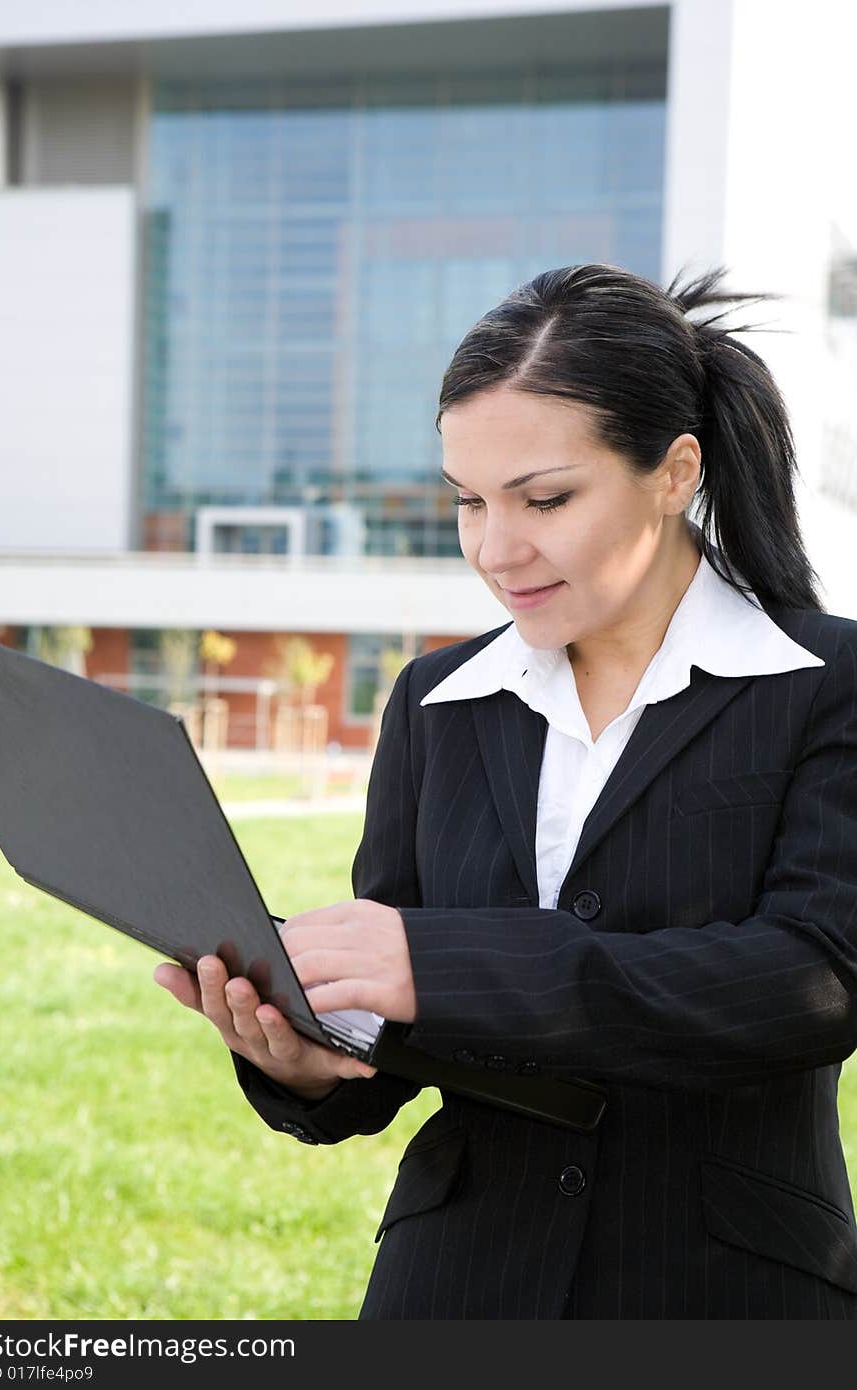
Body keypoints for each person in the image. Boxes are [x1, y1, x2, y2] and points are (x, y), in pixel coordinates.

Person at [154, 263, 857, 1319]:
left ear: (674, 472)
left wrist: (433, 960)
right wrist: (307, 1056)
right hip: (456, 1284)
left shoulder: (823, 684)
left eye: (544, 498)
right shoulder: (438, 702)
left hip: (724, 1287)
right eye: (467, 502)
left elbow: (810, 981)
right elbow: (402, 1049)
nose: (494, 548)